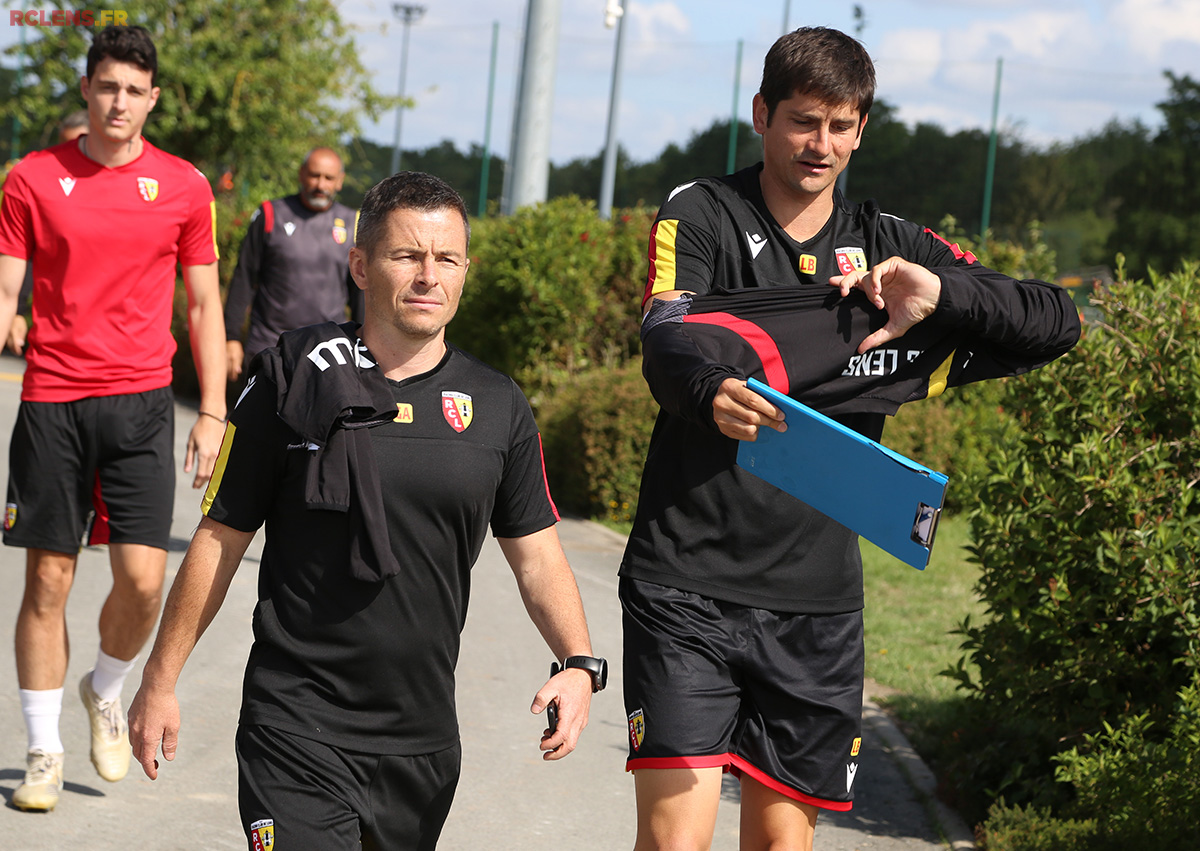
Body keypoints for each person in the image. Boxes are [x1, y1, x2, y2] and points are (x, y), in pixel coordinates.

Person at [621, 26, 1081, 851]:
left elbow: (1054, 321)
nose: (819, 144)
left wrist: (938, 292)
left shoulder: (893, 241)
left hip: (817, 602)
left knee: (782, 845)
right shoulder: (703, 210)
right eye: (802, 121)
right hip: (684, 581)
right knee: (674, 841)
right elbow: (665, 334)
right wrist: (708, 389)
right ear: (761, 114)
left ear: (862, 129)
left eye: (840, 126)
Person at [128, 171, 606, 850]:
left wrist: (578, 661)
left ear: (465, 271)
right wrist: (160, 678)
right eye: (407, 255)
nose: (428, 276)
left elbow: (537, 556)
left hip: (421, 747)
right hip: (294, 727)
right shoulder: (290, 381)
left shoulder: (498, 405)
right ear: (360, 264)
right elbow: (220, 537)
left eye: (446, 259)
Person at [0, 26, 227, 813]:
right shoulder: (32, 178)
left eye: (134, 90)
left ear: (151, 98)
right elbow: (6, 290)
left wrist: (214, 408)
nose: (119, 101)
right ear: (88, 90)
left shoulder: (184, 187)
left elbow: (203, 304)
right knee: (48, 581)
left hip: (140, 402)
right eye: (107, 86)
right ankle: (41, 752)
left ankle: (105, 685)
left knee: (142, 580)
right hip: (53, 399)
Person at [223, 146, 363, 384]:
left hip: (328, 353)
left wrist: (363, 347)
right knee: (260, 421)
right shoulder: (270, 214)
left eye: (329, 178)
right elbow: (244, 278)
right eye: (314, 175)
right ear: (301, 174)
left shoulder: (353, 224)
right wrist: (230, 337)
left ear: (340, 182)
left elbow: (360, 293)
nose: (320, 185)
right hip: (270, 345)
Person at [5, 109, 93, 356]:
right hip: (55, 343)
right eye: (65, 145)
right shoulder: (41, 185)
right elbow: (26, 254)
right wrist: (17, 311)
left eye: (79, 144)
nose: (70, 154)